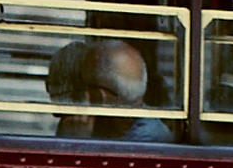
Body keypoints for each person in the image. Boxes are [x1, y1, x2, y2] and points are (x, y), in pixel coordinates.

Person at [45, 37, 175, 142]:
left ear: (99, 97)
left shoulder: (145, 141)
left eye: (84, 87)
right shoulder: (112, 127)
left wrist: (74, 142)